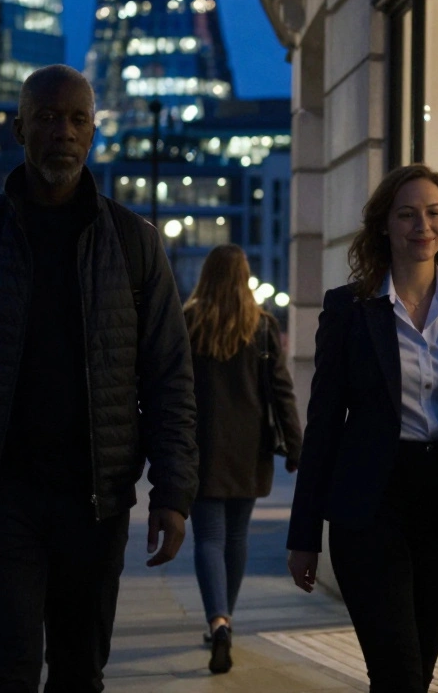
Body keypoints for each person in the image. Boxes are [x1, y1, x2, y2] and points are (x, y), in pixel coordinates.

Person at [0, 64, 199, 693]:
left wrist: (174, 492)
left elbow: (169, 375)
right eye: (48, 117)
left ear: (93, 133)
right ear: (20, 129)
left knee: (81, 673)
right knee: (5, 673)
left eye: (77, 118)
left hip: (96, 500)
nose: (63, 130)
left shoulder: (133, 243)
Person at [286, 163, 438, 693]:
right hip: (370, 510)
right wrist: (304, 535)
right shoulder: (350, 308)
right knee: (397, 671)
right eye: (407, 214)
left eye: (433, 212)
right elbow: (325, 425)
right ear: (384, 225)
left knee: (415, 672)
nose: (422, 225)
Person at [181, 243, 302, 675]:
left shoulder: (188, 323)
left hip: (201, 448)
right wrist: (294, 443)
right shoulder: (263, 327)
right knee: (236, 538)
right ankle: (224, 621)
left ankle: (218, 622)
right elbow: (281, 391)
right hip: (249, 450)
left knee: (208, 538)